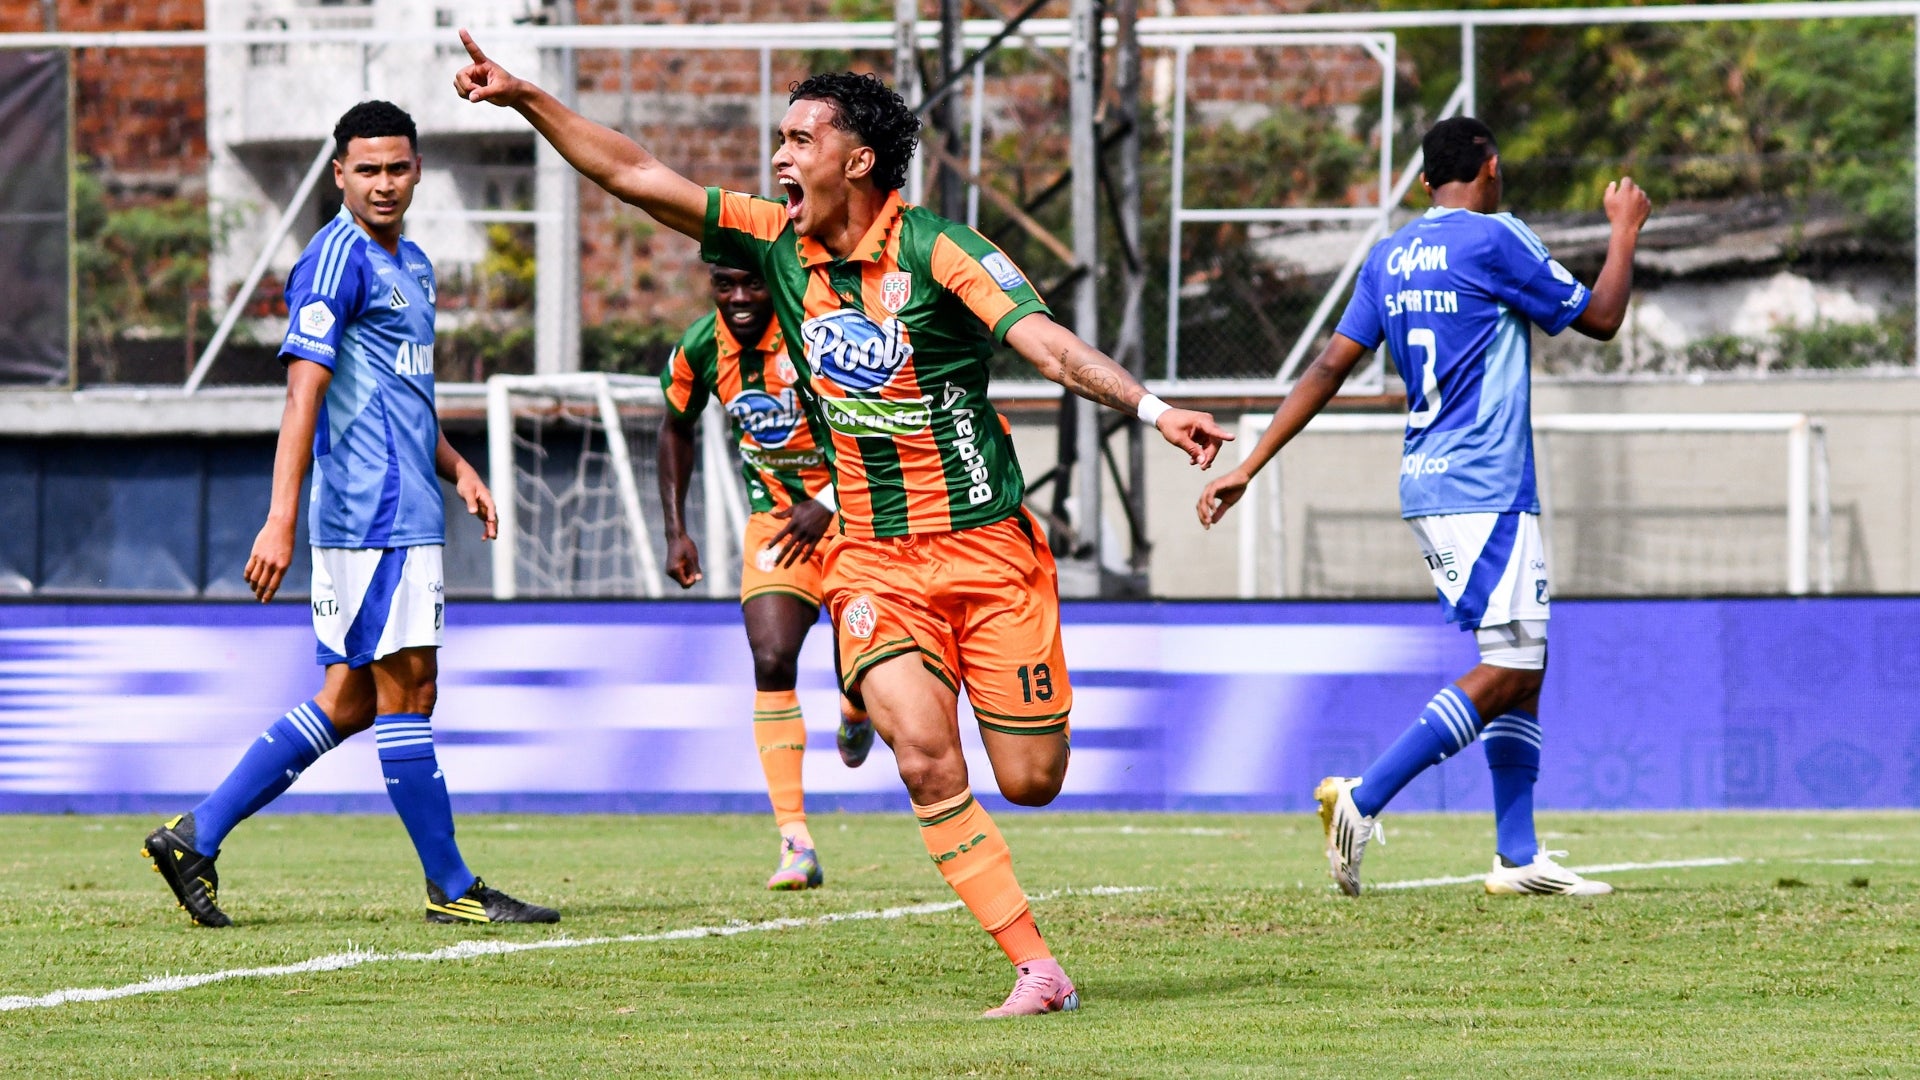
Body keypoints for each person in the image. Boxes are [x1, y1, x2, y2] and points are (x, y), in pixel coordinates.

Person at [454, 33, 1229, 1015]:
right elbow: (636, 173)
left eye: (798, 140)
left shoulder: (940, 250)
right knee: (922, 756)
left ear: (856, 160)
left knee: (1031, 779)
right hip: (868, 556)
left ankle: (937, 731)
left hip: (990, 552)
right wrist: (527, 97)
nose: (779, 158)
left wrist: (1155, 411)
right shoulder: (772, 239)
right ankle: (1037, 965)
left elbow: (1046, 344)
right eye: (778, 141)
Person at [1199, 117, 1650, 897]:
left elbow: (1328, 367)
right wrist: (1623, 230)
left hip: (1431, 480)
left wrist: (1251, 462)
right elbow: (1601, 318)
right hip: (1485, 483)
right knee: (1512, 663)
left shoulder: (1391, 255)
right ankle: (1363, 798)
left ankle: (1518, 855)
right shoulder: (1494, 236)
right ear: (1493, 168)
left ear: (1420, 185)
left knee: (1523, 664)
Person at [141, 101, 558, 928]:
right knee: (410, 692)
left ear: (417, 171)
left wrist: (458, 467)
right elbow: (304, 396)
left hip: (405, 505)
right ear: (339, 175)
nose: (383, 183)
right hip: (371, 515)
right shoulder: (333, 261)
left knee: (352, 700)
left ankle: (197, 835)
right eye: (366, 170)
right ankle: (452, 888)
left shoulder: (416, 264)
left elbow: (406, 397)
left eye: (397, 168)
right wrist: (279, 518)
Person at [657, 262, 876, 890]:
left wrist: (829, 499)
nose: (741, 298)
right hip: (776, 525)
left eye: (753, 283)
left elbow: (880, 424)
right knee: (772, 656)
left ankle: (855, 705)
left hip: (856, 514)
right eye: (725, 284)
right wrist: (677, 529)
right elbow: (675, 427)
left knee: (860, 659)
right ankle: (795, 841)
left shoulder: (819, 336)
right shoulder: (700, 348)